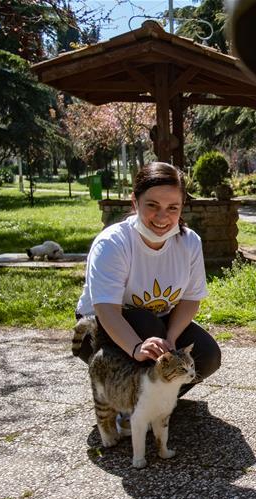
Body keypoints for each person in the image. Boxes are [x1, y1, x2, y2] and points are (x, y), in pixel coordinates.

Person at [75, 161, 221, 405]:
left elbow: (190, 299)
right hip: (100, 329)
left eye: (172, 208)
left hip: (158, 324)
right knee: (146, 324)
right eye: (152, 205)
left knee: (207, 355)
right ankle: (123, 399)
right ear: (135, 202)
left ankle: (144, 402)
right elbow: (106, 309)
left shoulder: (189, 243)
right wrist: (135, 348)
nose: (163, 217)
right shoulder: (113, 243)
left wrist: (173, 340)